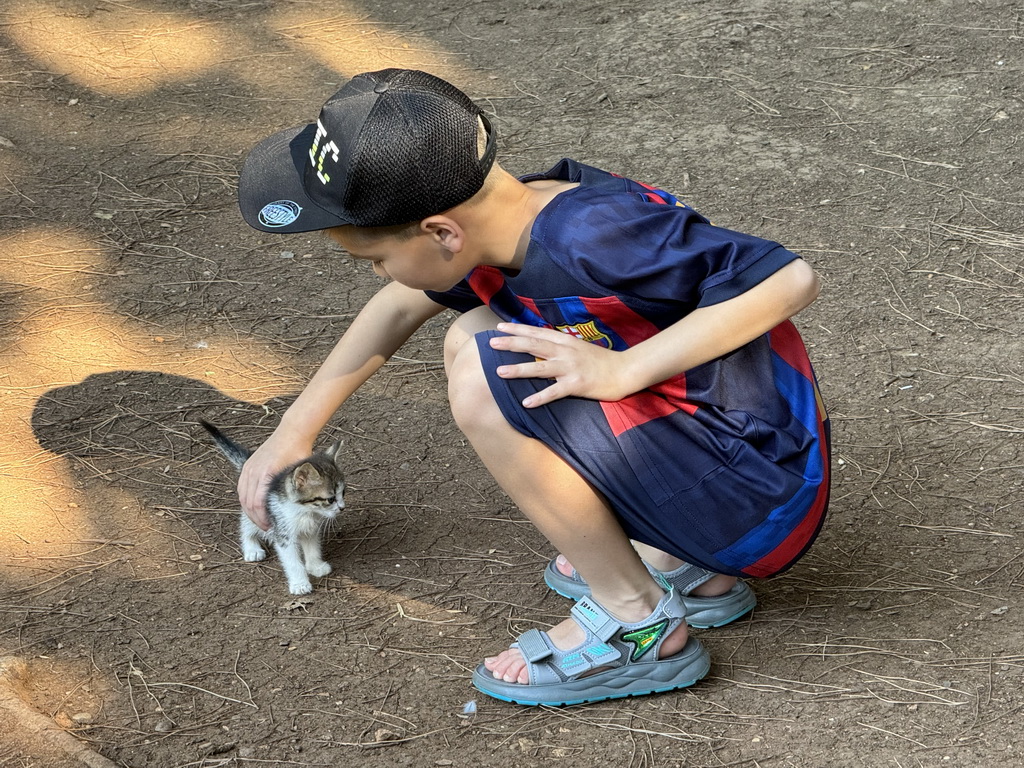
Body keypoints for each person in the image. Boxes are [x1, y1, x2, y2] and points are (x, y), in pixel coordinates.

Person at [235, 68, 830, 707]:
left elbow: (789, 279)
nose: (380, 273)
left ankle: (639, 621)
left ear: (441, 232)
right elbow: (400, 306)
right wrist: (294, 430)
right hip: (726, 460)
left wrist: (623, 371)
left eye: (373, 257)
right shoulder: (509, 220)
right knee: (474, 332)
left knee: (486, 370)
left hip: (760, 495)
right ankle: (678, 562)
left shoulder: (590, 234)